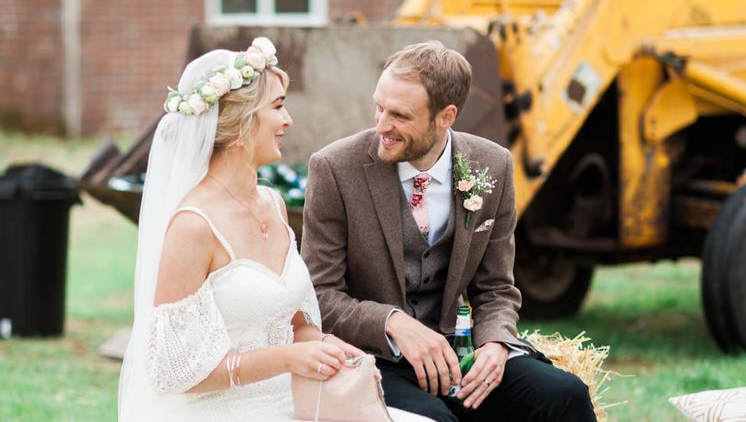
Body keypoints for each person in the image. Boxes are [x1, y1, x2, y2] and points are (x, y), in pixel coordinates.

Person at [118, 37, 427, 422]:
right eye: (278, 107)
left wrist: (331, 348)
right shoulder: (193, 226)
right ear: (240, 120)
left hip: (291, 404)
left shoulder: (274, 204)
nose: (288, 120)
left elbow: (298, 326)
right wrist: (287, 358)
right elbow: (172, 372)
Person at [301, 41, 597, 422]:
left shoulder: (493, 165)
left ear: (446, 117)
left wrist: (495, 343)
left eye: (400, 115)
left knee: (564, 395)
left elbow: (496, 289)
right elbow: (319, 295)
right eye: (379, 107)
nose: (381, 126)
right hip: (373, 358)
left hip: (459, 354)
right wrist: (394, 323)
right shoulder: (334, 169)